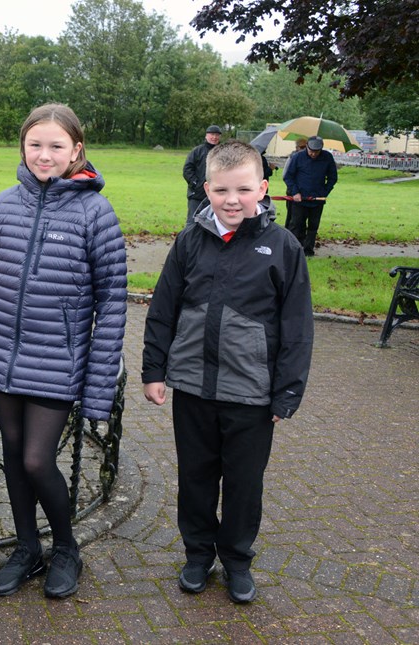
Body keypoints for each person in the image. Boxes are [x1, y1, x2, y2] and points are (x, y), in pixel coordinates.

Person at [0, 104, 127, 599]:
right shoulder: (3, 206)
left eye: (56, 146)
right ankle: (27, 548)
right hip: (2, 357)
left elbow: (111, 304)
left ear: (76, 150)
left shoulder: (94, 213)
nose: (45, 155)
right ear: (22, 147)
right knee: (16, 458)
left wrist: (99, 388)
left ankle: (65, 549)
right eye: (35, 144)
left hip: (58, 361)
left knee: (39, 460)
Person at [141, 140, 314, 604]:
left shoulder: (282, 247)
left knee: (243, 483)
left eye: (243, 189)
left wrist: (287, 393)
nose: (232, 200)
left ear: (263, 188)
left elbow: (297, 327)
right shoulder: (189, 241)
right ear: (206, 189)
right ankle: (198, 555)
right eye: (221, 190)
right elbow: (163, 309)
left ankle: (236, 559)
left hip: (252, 396)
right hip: (194, 389)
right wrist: (153, 369)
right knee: (196, 476)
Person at [283, 135, 338, 256]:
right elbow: (288, 176)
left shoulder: (327, 158)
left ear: (321, 149)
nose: (313, 154)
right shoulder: (298, 157)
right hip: (299, 199)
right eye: (311, 151)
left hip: (317, 199)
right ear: (307, 147)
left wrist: (324, 192)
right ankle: (292, 250)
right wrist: (295, 192)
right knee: (296, 224)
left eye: (316, 152)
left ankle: (308, 251)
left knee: (313, 226)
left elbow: (333, 177)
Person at [183, 125, 222, 225]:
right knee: (193, 221)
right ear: (206, 136)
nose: (214, 137)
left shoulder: (222, 152)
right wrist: (195, 183)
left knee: (214, 221)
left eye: (217, 135)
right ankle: (190, 240)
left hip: (216, 193)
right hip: (197, 194)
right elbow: (187, 169)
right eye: (212, 134)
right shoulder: (197, 151)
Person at [280, 137, 308, 230]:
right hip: (292, 190)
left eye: (306, 146)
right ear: (297, 147)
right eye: (302, 147)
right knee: (292, 217)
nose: (304, 149)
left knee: (302, 217)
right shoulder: (292, 157)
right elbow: (285, 175)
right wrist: (293, 188)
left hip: (305, 192)